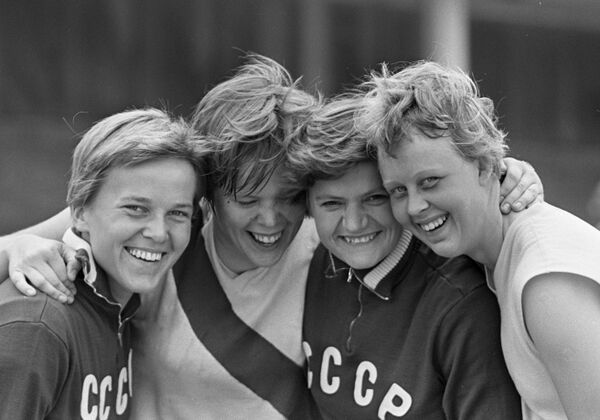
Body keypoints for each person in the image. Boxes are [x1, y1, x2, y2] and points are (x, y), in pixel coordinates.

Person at [0, 55, 542, 420]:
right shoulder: (166, 235)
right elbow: (74, 222)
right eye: (246, 198)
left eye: (288, 197)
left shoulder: (331, 241)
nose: (271, 220)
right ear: (209, 193)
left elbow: (412, 188)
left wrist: (500, 173)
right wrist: (18, 248)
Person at [361, 60, 600, 420]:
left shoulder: (546, 282)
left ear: (487, 166)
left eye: (430, 182)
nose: (414, 206)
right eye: (398, 190)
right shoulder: (493, 250)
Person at [285, 96, 522, 419]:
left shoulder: (461, 304)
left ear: (398, 190)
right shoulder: (313, 259)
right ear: (308, 207)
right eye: (331, 204)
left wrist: (509, 173)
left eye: (375, 198)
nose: (353, 224)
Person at [0, 108, 205, 419]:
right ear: (80, 212)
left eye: (177, 213)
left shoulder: (119, 307)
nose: (159, 233)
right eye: (136, 208)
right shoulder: (37, 326)